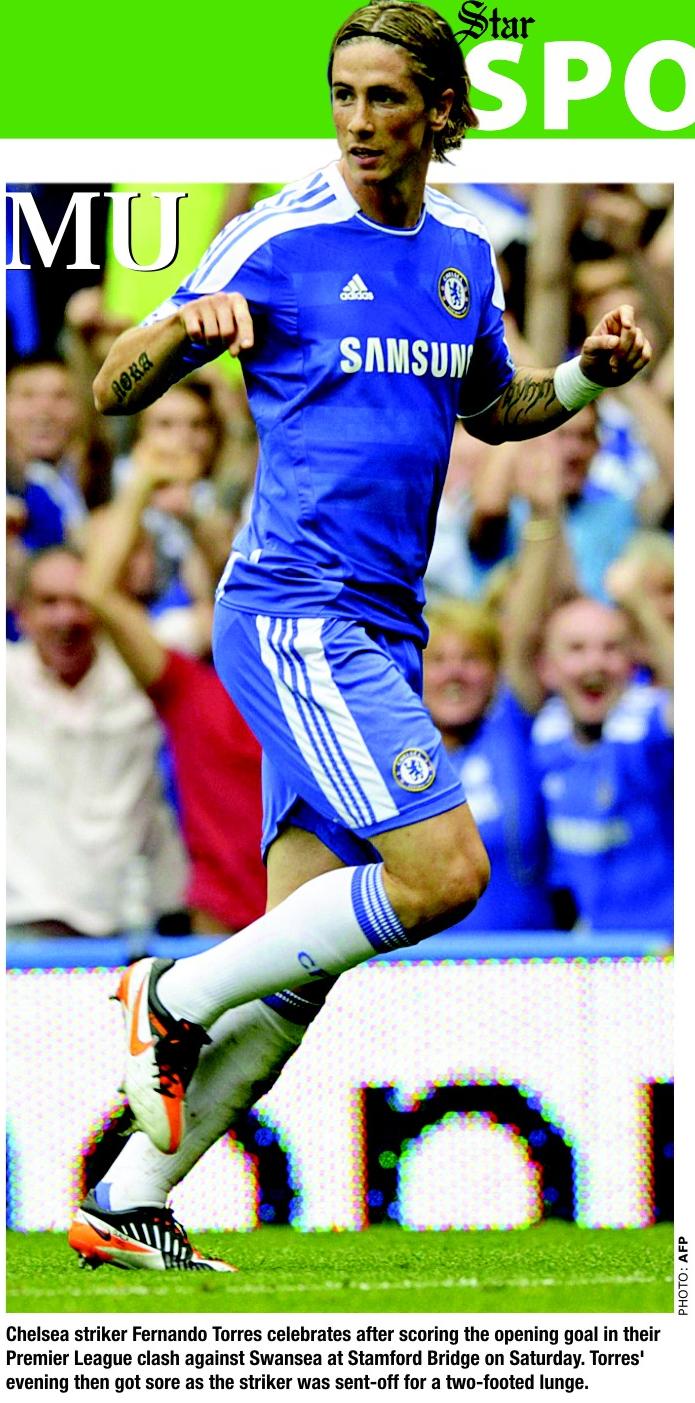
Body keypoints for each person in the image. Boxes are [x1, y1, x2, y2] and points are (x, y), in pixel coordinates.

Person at [70, 0, 651, 1271]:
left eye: (384, 97)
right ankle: (168, 991)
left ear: (439, 111)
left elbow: (493, 408)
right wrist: (178, 332)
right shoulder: (278, 235)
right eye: (341, 94)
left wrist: (587, 377)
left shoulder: (461, 257)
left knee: (294, 974)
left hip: (381, 627)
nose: (356, 121)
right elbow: (113, 387)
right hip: (295, 608)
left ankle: (126, 1197)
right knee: (444, 872)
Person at [7, 547, 187, 939]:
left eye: (80, 602)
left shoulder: (143, 672)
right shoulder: (8, 680)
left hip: (135, 924)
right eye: (49, 602)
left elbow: (214, 611)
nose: (66, 618)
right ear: (22, 613)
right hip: (26, 929)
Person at [532, 596, 673, 934]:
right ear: (547, 668)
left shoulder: (646, 721)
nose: (595, 663)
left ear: (632, 663)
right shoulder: (545, 732)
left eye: (611, 648)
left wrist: (641, 603)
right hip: (597, 949)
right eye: (576, 648)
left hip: (666, 946)